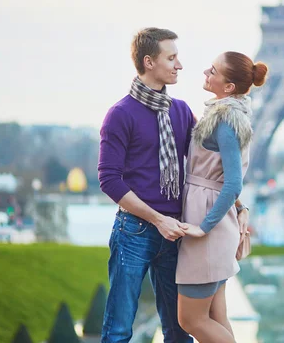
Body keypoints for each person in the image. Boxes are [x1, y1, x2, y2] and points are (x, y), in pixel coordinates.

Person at [98, 27, 194, 343]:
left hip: (176, 231)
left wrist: (238, 205)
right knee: (118, 330)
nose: (179, 64)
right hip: (134, 231)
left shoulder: (181, 111)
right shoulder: (120, 114)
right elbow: (109, 179)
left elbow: (205, 168)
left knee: (180, 331)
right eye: (172, 57)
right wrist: (157, 219)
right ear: (149, 61)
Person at [176, 51, 268, 342]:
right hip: (216, 225)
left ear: (228, 87)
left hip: (209, 231)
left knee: (190, 319)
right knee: (216, 318)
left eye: (213, 70)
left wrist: (203, 227)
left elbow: (233, 184)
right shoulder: (229, 114)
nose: (206, 72)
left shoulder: (225, 121)